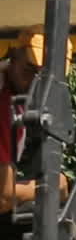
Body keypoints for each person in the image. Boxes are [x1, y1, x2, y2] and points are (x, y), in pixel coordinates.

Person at [0, 26, 72, 216]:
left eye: (43, 77)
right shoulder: (4, 104)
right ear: (13, 55)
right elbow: (3, 197)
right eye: (29, 70)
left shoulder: (16, 97)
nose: (34, 81)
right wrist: (52, 185)